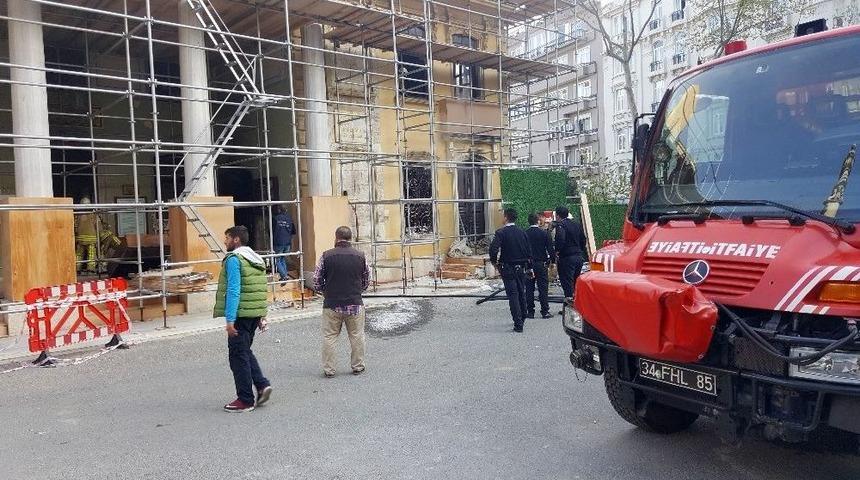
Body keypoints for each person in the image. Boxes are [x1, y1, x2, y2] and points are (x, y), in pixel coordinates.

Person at [214, 226, 272, 412]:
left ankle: (245, 400)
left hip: (240, 314)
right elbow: (260, 288)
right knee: (244, 351)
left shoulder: (234, 260)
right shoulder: (257, 259)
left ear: (236, 240)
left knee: (237, 356)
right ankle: (262, 385)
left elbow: (233, 290)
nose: (225, 241)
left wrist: (230, 320)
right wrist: (262, 314)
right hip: (253, 314)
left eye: (227, 237)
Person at [313, 226, 369, 377]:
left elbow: (317, 281)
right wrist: (357, 291)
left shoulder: (326, 256)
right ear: (350, 238)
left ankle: (329, 370)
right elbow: (366, 280)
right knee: (357, 336)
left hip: (332, 303)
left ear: (336, 238)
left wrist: (326, 292)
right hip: (355, 302)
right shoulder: (360, 256)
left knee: (330, 337)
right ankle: (358, 366)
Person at [489, 208, 532, 333]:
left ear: (506, 217)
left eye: (503, 216)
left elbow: (493, 249)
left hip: (507, 267)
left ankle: (518, 323)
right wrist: (529, 267)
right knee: (521, 292)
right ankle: (523, 316)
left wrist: (494, 262)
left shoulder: (501, 233)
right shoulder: (522, 233)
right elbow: (529, 251)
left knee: (513, 295)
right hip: (521, 267)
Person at [553, 206, 588, 312]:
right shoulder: (577, 224)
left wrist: (557, 251)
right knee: (575, 282)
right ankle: (578, 304)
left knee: (567, 283)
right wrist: (579, 250)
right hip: (578, 257)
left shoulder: (561, 226)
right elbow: (583, 239)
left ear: (557, 216)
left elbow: (561, 239)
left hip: (567, 258)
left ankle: (570, 308)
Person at [524, 213, 554, 319]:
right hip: (541, 264)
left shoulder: (525, 234)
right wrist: (552, 261)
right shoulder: (544, 233)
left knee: (529, 288)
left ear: (529, 222)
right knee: (543, 288)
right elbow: (550, 249)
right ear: (538, 221)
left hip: (528, 264)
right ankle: (545, 311)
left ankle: (530, 311)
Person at [273, 206, 296, 282]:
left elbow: (271, 230)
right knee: (283, 259)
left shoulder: (275, 218)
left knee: (278, 260)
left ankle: (284, 276)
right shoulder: (289, 219)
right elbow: (294, 231)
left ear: (279, 210)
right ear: (285, 210)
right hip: (287, 243)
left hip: (278, 242)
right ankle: (284, 276)